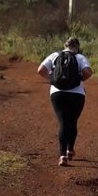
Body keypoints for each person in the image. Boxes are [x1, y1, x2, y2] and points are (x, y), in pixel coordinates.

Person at [37, 36, 92, 166]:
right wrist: (79, 80)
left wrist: (52, 79)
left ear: (65, 46)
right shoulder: (80, 57)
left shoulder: (55, 55)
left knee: (62, 122)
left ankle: (62, 156)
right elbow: (88, 72)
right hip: (77, 94)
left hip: (57, 93)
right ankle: (70, 150)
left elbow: (40, 70)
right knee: (72, 122)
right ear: (77, 47)